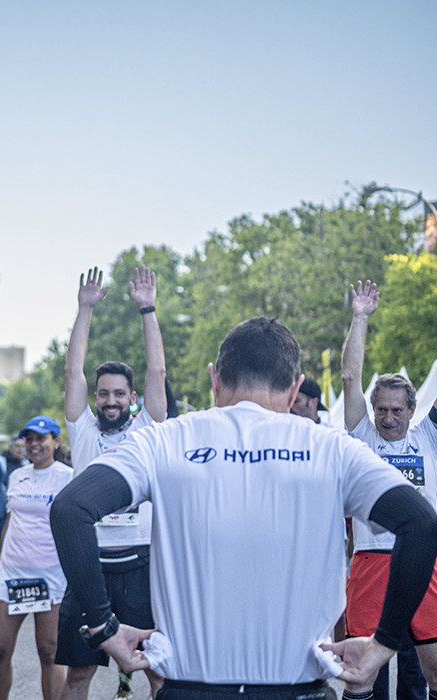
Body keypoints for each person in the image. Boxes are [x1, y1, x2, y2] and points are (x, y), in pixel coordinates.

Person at [50, 315, 437, 700]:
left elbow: (71, 509)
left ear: (214, 379)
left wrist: (104, 627)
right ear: (295, 389)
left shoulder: (163, 441)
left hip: (191, 686)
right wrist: (383, 643)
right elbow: (419, 523)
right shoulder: (332, 448)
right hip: (297, 687)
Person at [60, 265, 167, 699]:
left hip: (140, 566)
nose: (109, 400)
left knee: (158, 671)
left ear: (132, 399)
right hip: (91, 568)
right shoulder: (82, 429)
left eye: (118, 394)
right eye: (103, 393)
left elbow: (157, 372)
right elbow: (73, 372)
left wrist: (148, 310)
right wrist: (84, 310)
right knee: (80, 676)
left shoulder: (147, 427)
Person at [340, 280, 437, 700]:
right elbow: (349, 376)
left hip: (424, 560)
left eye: (397, 410)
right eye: (381, 409)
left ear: (412, 411)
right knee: (363, 672)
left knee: (433, 667)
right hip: (372, 560)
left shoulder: (427, 437)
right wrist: (360, 317)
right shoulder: (363, 435)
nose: (388, 418)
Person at [0, 416, 72, 700]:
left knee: (49, 653)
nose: (34, 444)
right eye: (29, 439)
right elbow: (10, 523)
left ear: (55, 442)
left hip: (50, 577)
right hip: (12, 575)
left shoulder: (68, 477)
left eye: (41, 438)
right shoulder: (17, 476)